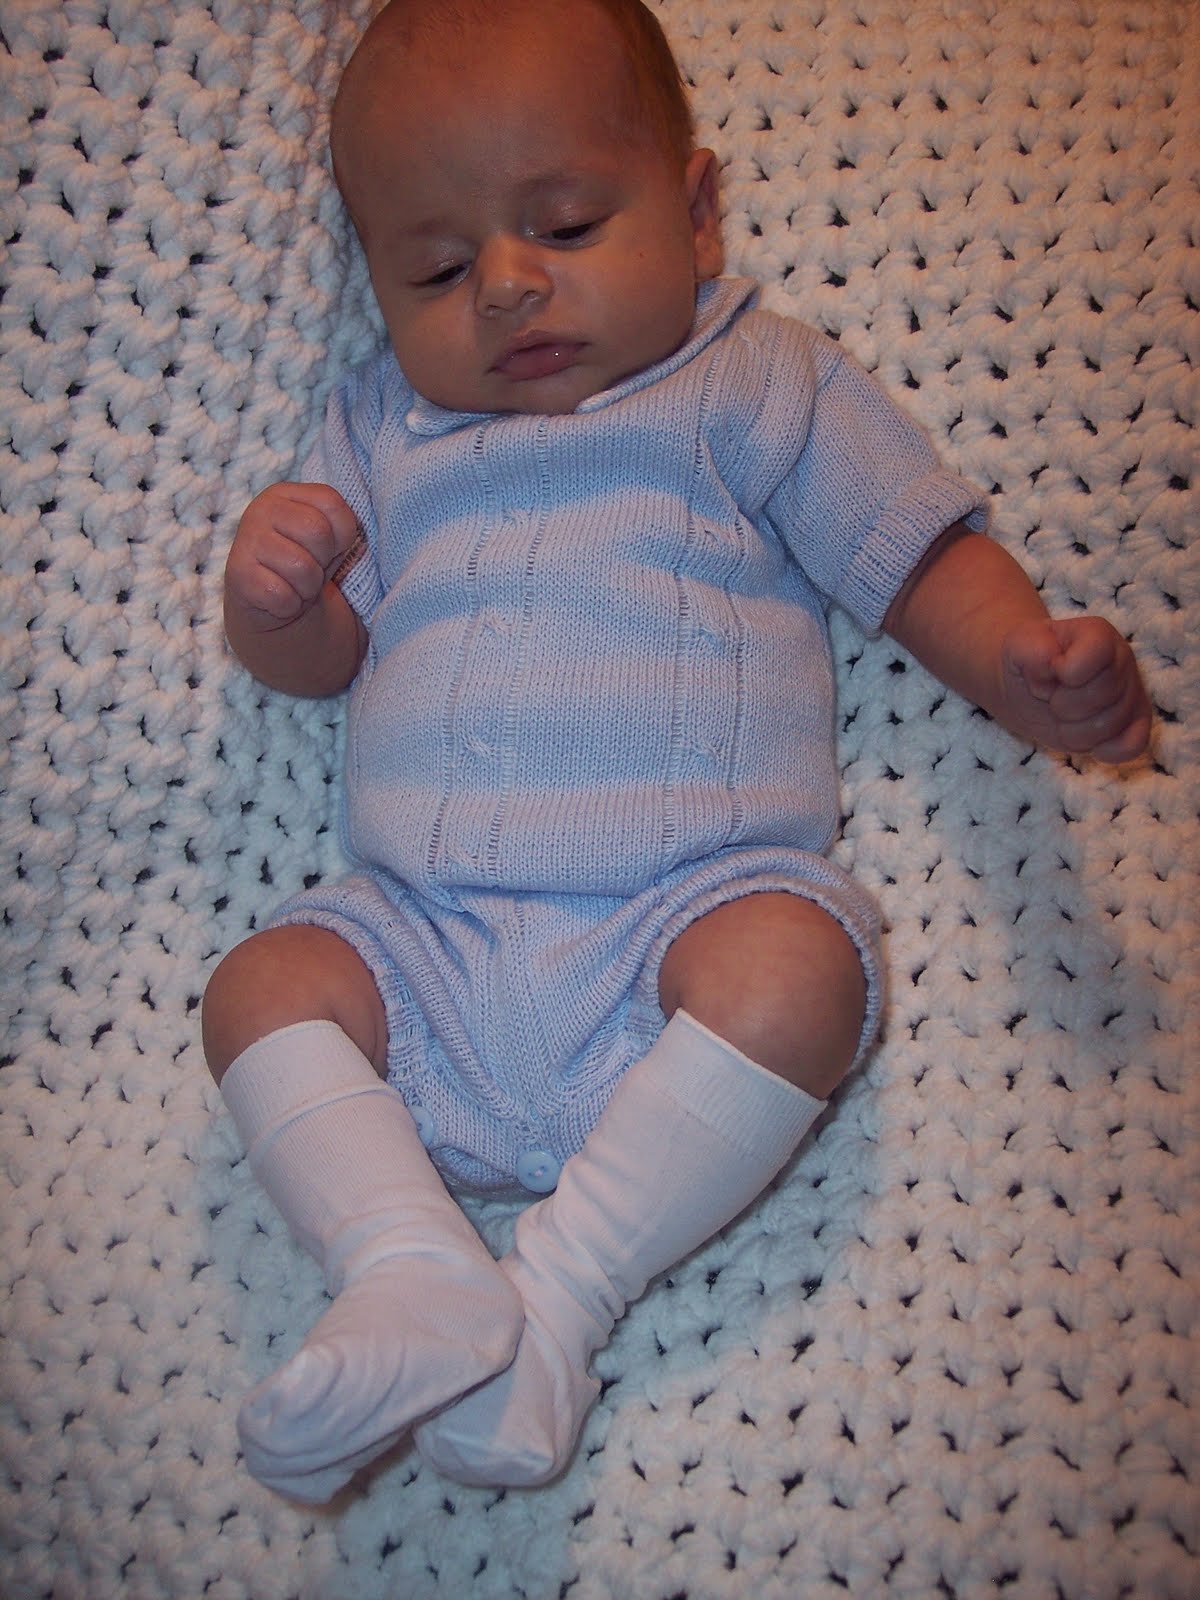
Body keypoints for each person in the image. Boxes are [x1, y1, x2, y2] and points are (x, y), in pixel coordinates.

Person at [202, 0, 1152, 1504]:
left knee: (803, 969)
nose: (507, 287)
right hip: (423, 940)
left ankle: (561, 1298)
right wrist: (277, 603)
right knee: (258, 989)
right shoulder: (379, 428)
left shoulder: (761, 381)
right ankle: (404, 1262)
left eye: (568, 225)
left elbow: (910, 553)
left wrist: (1018, 660)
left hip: (683, 929)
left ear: (697, 214)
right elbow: (323, 662)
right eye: (436, 270)